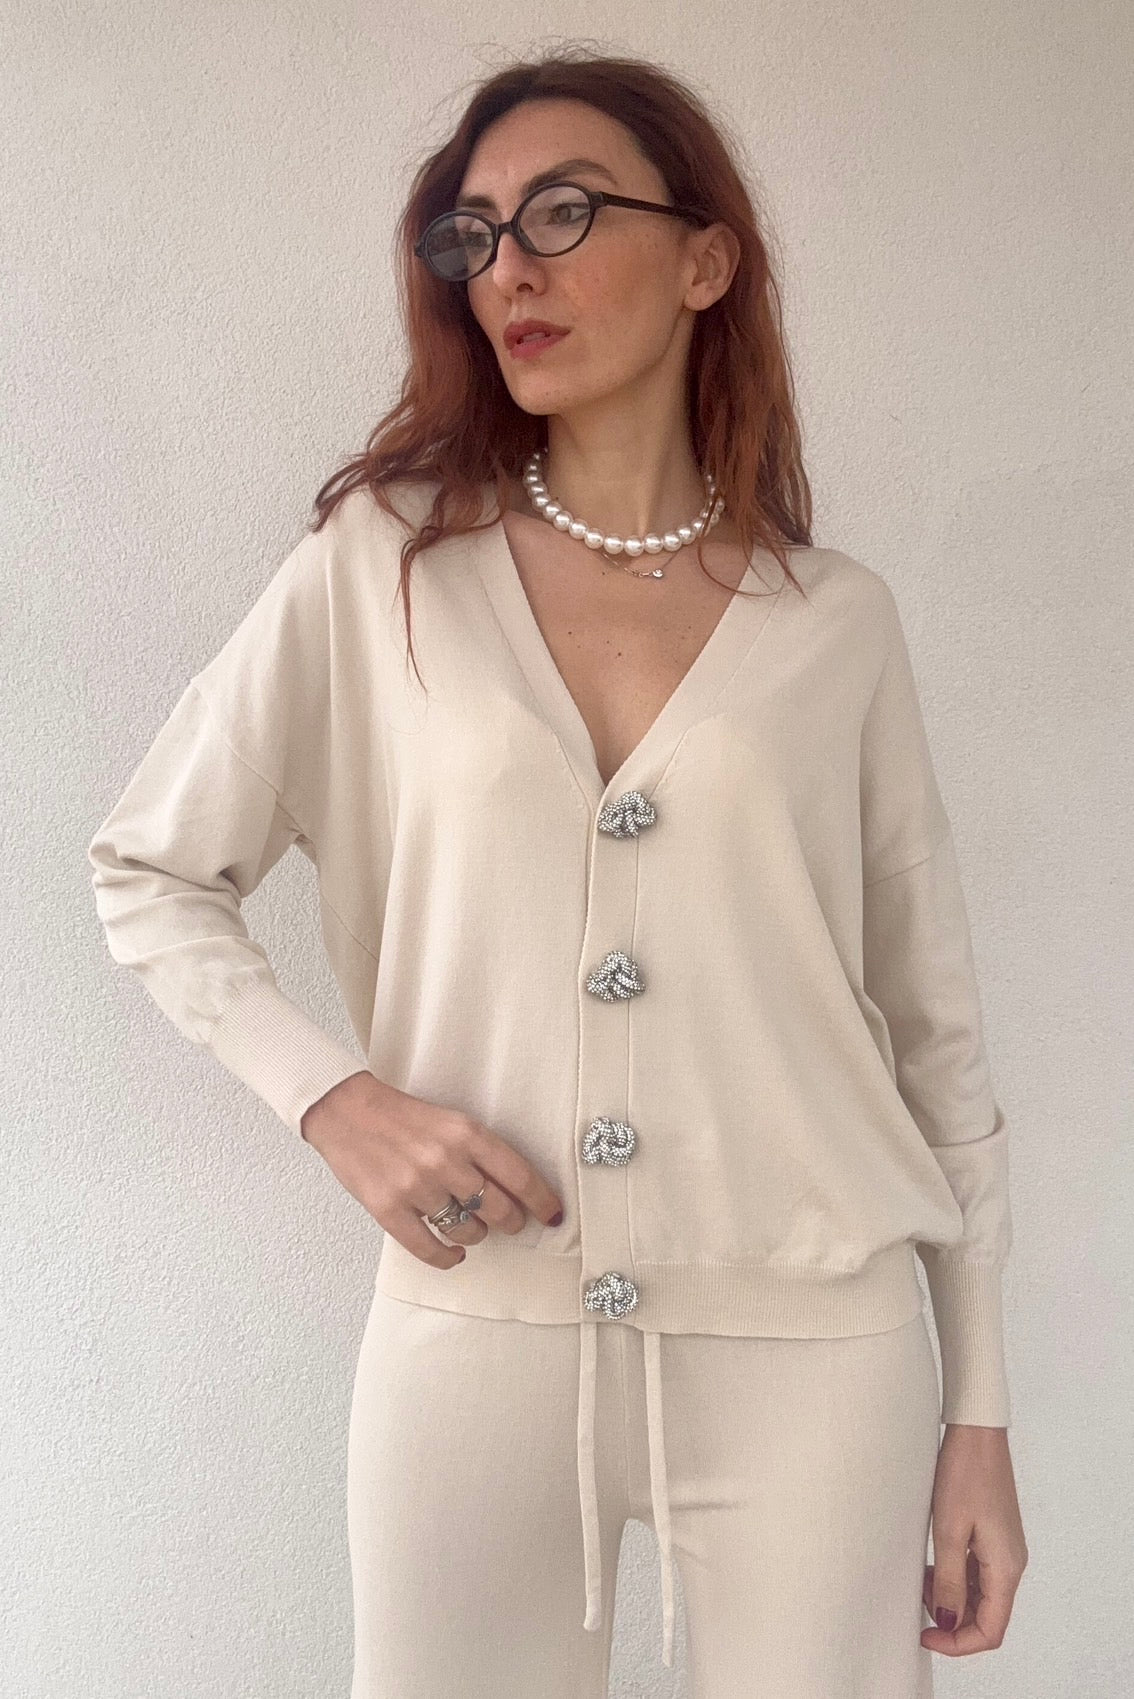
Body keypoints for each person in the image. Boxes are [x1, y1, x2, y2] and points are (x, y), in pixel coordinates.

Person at [87, 49, 1028, 1698]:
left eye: (565, 215)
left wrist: (979, 1415)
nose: (509, 267)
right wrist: (334, 1101)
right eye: (475, 235)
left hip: (815, 1354)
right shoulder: (381, 568)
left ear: (705, 259)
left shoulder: (835, 626)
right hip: (478, 1333)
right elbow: (151, 866)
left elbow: (932, 1035)